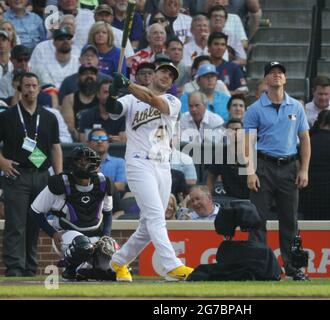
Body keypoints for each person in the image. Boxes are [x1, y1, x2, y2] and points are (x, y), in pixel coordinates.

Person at [105, 61, 194, 281]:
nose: (166, 76)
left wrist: (127, 84)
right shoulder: (131, 99)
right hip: (138, 163)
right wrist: (113, 94)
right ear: (153, 74)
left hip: (163, 165)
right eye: (163, 71)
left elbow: (153, 100)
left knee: (148, 224)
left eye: (171, 75)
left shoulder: (172, 100)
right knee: (155, 216)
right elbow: (113, 110)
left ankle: (118, 261)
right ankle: (172, 266)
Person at [244, 61, 311, 281]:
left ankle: (293, 269)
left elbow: (305, 140)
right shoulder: (254, 109)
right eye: (272, 73)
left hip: (290, 166)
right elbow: (247, 144)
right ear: (265, 80)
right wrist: (250, 172)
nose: (277, 76)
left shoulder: (296, 107)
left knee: (290, 220)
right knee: (257, 220)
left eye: (280, 73)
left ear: (285, 78)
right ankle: (260, 269)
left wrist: (304, 170)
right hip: (263, 165)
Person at [0, 72, 63, 277]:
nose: (30, 89)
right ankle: (15, 268)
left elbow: (55, 147)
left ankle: (30, 267)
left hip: (42, 175)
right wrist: (2, 162)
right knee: (16, 224)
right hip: (17, 174)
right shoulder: (7, 116)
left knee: (35, 223)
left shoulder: (49, 116)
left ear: (39, 88)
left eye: (34, 85)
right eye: (26, 85)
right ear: (19, 88)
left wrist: (58, 176)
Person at [30, 146, 122, 281]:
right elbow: (34, 211)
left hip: (95, 235)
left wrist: (106, 237)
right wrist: (52, 233)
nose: (83, 164)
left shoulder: (104, 183)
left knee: (111, 265)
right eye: (79, 161)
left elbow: (107, 213)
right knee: (82, 245)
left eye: (87, 160)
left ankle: (88, 271)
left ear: (95, 164)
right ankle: (70, 270)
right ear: (72, 163)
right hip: (66, 235)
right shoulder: (59, 183)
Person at [206, 118, 250, 199]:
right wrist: (207, 196)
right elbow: (211, 178)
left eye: (237, 129)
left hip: (252, 198)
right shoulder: (221, 153)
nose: (235, 133)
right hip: (230, 198)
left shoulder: (254, 152)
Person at [61, 64, 99, 141]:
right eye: (85, 74)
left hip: (100, 139)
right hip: (77, 142)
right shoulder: (69, 99)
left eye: (92, 73)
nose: (89, 76)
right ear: (78, 78)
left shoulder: (101, 97)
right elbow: (70, 127)